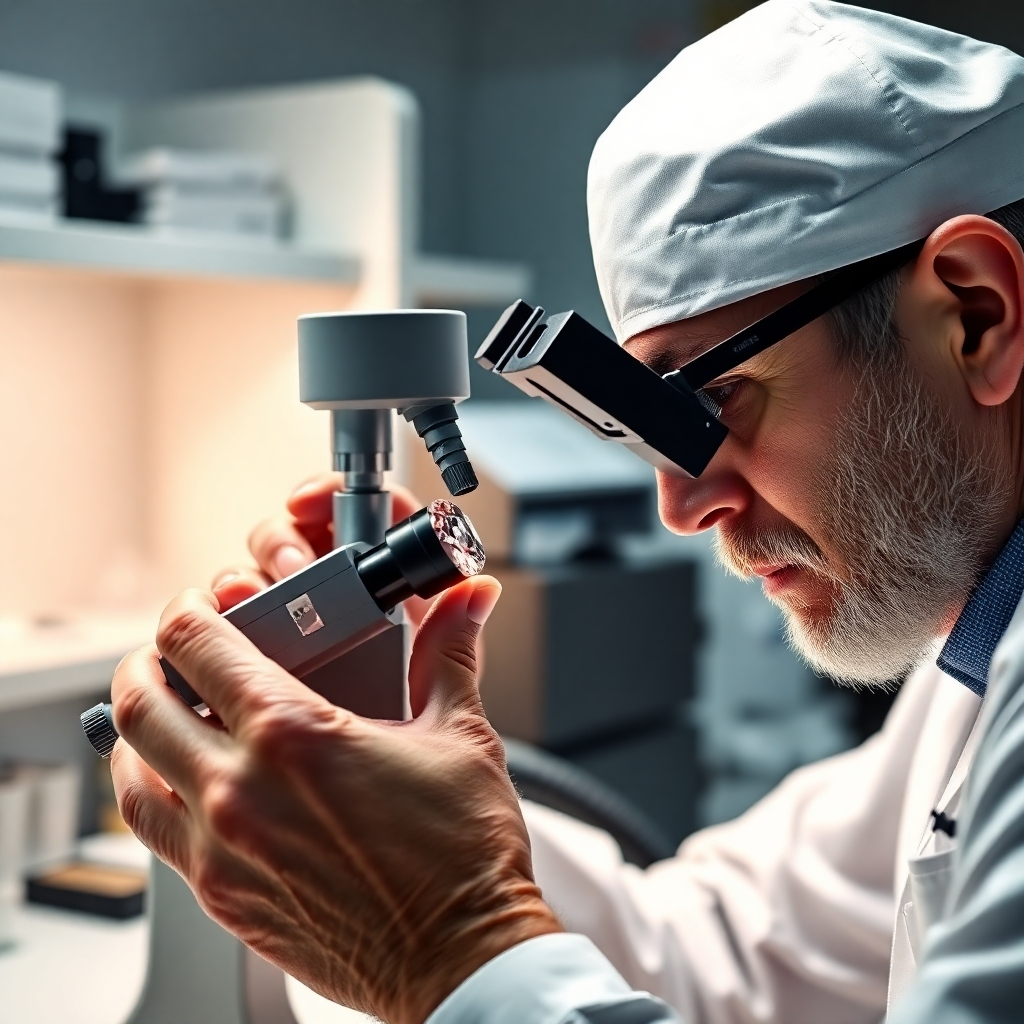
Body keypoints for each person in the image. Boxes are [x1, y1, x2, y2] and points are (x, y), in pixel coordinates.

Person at [106, 2, 1024, 1022]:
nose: (681, 507)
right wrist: (391, 799)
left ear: (974, 315)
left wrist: (447, 940)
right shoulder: (976, 655)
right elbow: (731, 947)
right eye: (648, 428)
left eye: (704, 406)